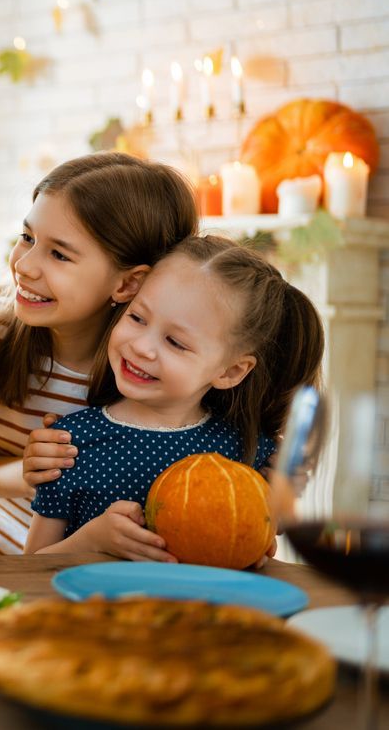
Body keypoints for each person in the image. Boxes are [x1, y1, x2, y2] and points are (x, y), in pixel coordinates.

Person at [0, 153, 197, 556]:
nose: (26, 265)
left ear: (127, 283)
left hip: (97, 576)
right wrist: (26, 473)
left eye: (59, 254)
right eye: (27, 238)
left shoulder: (156, 372)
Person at [25, 235, 324, 559]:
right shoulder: (69, 445)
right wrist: (92, 541)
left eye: (175, 342)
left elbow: (262, 544)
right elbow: (29, 568)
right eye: (137, 318)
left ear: (231, 372)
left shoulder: (248, 451)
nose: (141, 346)